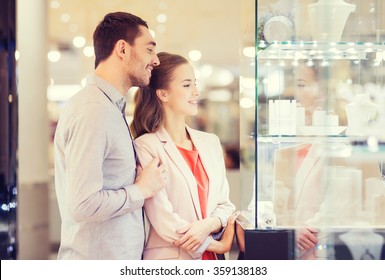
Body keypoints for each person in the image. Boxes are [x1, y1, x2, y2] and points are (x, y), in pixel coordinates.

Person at [53, 12, 168, 260]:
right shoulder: (93, 110)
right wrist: (141, 189)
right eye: (149, 50)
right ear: (123, 49)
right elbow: (83, 204)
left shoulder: (107, 107)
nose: (155, 60)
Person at [131, 52, 236, 260]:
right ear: (163, 94)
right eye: (187, 85)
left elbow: (225, 205)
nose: (196, 92)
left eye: (195, 84)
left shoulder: (211, 143)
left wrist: (209, 225)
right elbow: (163, 219)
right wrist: (216, 245)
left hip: (213, 260)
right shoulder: (146, 146)